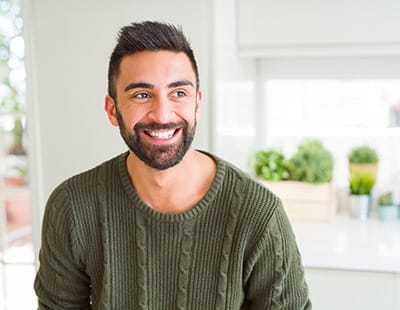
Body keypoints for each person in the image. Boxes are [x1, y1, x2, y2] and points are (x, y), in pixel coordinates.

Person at [34, 21, 311, 309]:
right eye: (142, 95)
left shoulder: (259, 215)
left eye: (179, 92)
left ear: (197, 104)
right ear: (112, 109)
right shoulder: (72, 207)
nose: (163, 114)